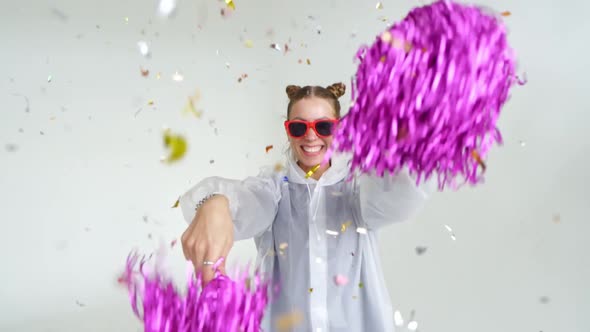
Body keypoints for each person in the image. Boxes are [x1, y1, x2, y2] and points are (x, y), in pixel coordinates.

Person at [179, 83, 433, 332]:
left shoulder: (358, 190)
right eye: (299, 127)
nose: (311, 136)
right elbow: (248, 202)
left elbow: (401, 198)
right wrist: (216, 203)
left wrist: (408, 143)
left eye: (323, 126)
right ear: (288, 131)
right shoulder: (274, 189)